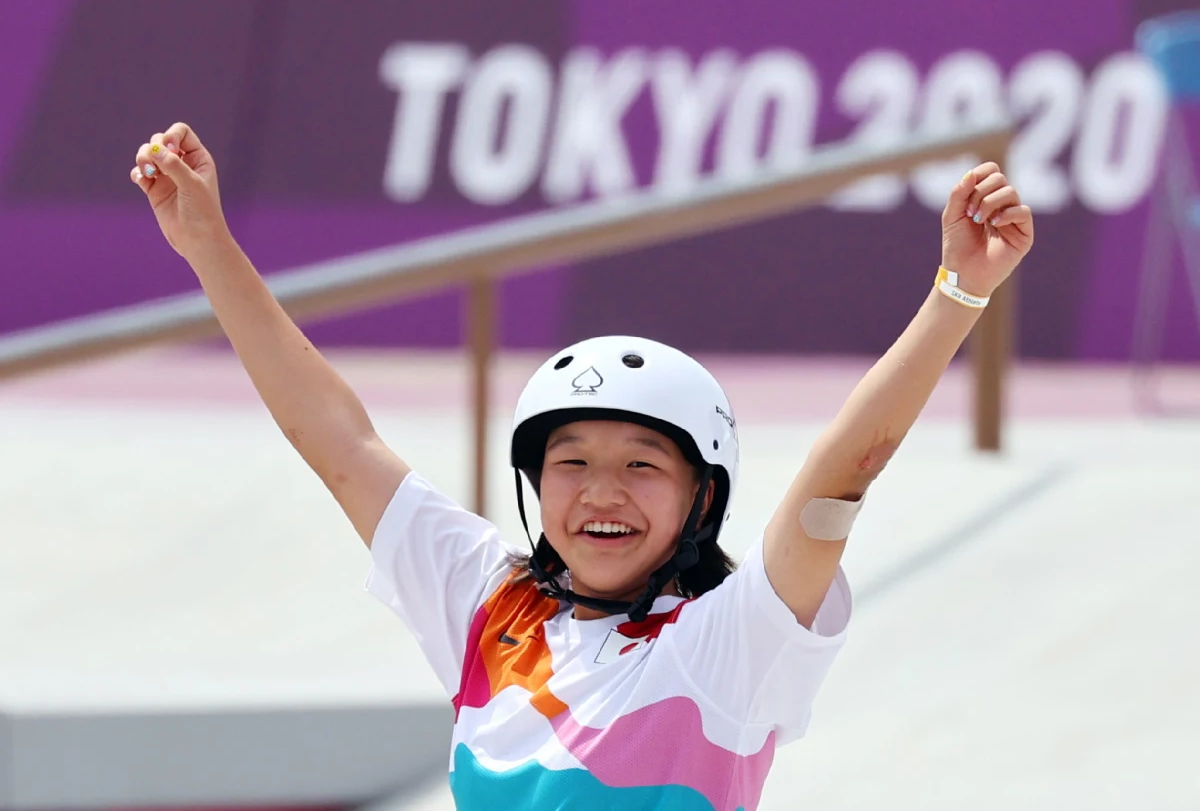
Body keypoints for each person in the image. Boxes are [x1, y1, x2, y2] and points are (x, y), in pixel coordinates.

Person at [130, 123, 1034, 810]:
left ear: (702, 500)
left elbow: (842, 474)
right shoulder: (488, 606)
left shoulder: (727, 645)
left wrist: (959, 292)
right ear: (537, 484)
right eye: (571, 461)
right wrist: (208, 244)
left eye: (643, 464)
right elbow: (338, 442)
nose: (602, 492)